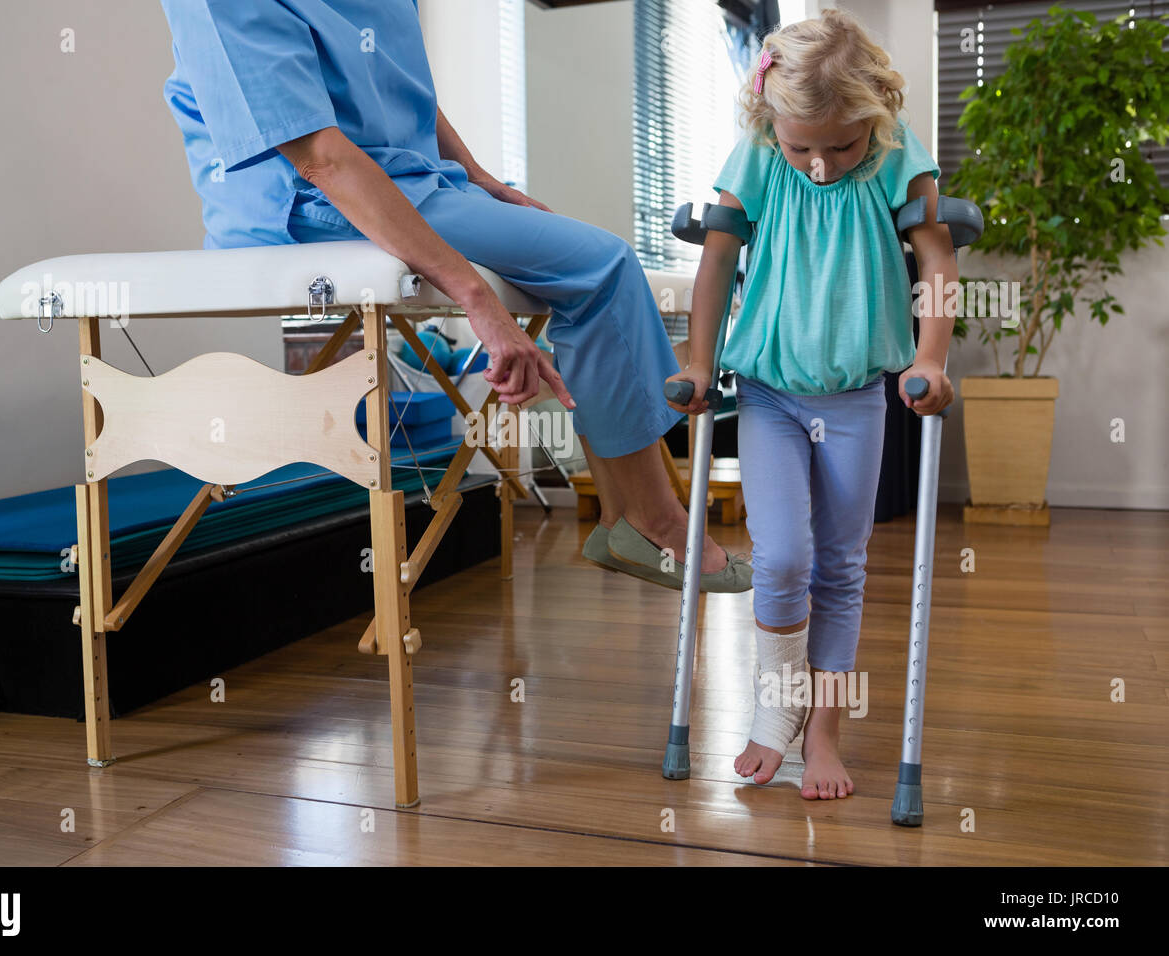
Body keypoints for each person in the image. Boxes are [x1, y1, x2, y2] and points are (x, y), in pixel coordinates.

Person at [158, 0, 751, 592]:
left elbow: (401, 85)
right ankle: (656, 522)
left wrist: (479, 178)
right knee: (602, 264)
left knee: (594, 264)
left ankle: (631, 520)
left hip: (408, 178)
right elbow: (319, 157)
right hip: (310, 201)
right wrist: (475, 296)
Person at [666, 8, 957, 799]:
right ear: (771, 120)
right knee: (783, 558)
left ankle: (822, 734)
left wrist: (929, 355)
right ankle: (777, 708)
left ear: (874, 115)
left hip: (859, 396)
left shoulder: (897, 156)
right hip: (767, 393)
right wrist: (698, 361)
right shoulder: (761, 153)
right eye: (803, 148)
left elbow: (936, 256)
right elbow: (718, 259)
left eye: (841, 146)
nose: (821, 165)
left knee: (840, 568)